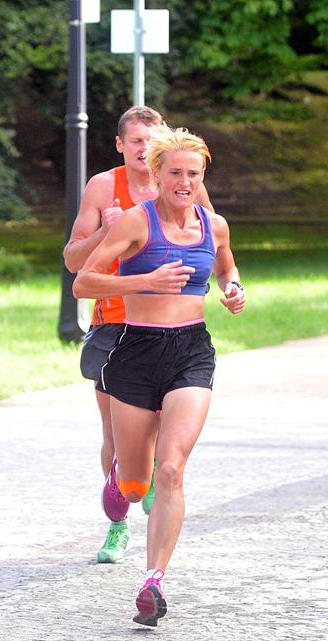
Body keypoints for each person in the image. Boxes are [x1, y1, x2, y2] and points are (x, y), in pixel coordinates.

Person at [72, 126, 245, 626]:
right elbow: (83, 281)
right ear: (159, 174)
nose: (184, 183)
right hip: (136, 352)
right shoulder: (135, 222)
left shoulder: (215, 226)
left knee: (170, 469)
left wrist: (233, 289)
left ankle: (153, 581)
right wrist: (144, 281)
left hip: (191, 352)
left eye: (194, 174)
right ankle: (120, 481)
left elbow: (227, 269)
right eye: (175, 173)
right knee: (135, 484)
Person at [63, 107, 212, 565]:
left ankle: (154, 479)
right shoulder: (104, 187)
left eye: (152, 141)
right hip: (114, 324)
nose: (145, 149)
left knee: (169, 430)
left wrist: (227, 285)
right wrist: (107, 230)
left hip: (171, 331)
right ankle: (119, 520)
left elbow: (211, 243)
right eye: (136, 142)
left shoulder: (183, 181)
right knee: (115, 435)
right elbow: (74, 261)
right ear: (121, 145)